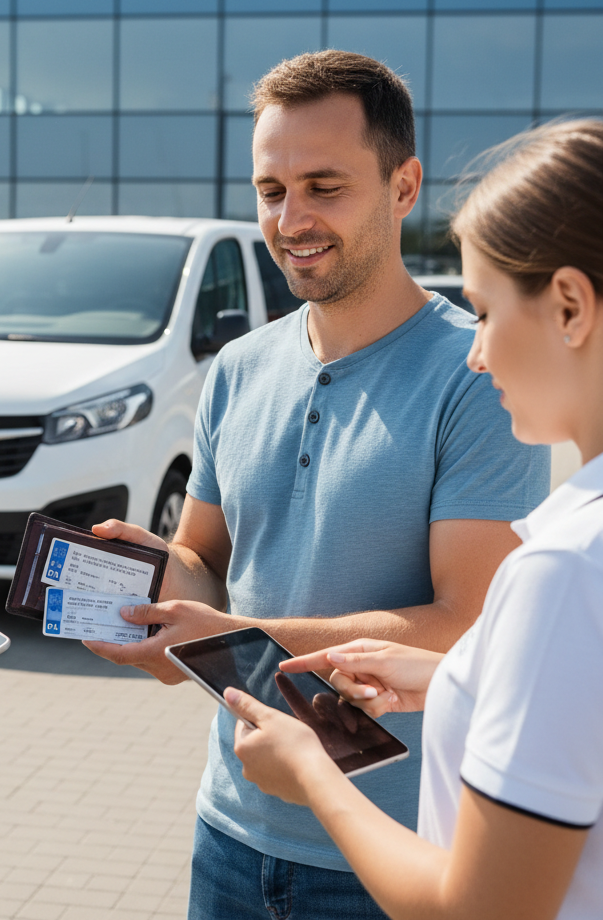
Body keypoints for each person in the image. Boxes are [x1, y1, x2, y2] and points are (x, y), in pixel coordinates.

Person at [86, 51, 550, 919]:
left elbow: (465, 625)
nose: (290, 218)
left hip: (391, 853)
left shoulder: (479, 373)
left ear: (403, 186)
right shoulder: (237, 368)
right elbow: (205, 559)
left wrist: (228, 631)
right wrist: (158, 585)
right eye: (271, 190)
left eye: (324, 187)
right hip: (231, 828)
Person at [228, 118, 603, 920]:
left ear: (570, 306)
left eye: (486, 310)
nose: (474, 351)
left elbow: (481, 910)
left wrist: (314, 773)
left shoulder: (567, 568)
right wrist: (455, 677)